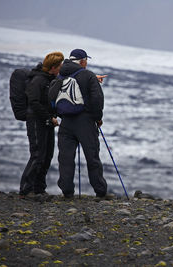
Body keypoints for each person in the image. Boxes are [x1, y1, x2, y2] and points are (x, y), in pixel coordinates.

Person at [56, 49, 108, 199]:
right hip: (85, 121)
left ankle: (67, 191)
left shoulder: (60, 74)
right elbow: (97, 99)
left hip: (65, 122)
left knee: (65, 158)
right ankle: (100, 191)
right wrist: (97, 118)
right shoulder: (88, 75)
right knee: (92, 157)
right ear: (83, 61)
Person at [19, 52, 64, 198]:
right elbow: (33, 102)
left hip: (47, 121)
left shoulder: (51, 79)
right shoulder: (38, 80)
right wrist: (48, 117)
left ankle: (39, 188)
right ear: (53, 67)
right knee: (37, 154)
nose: (61, 68)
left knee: (47, 155)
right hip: (36, 121)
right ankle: (26, 189)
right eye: (60, 66)